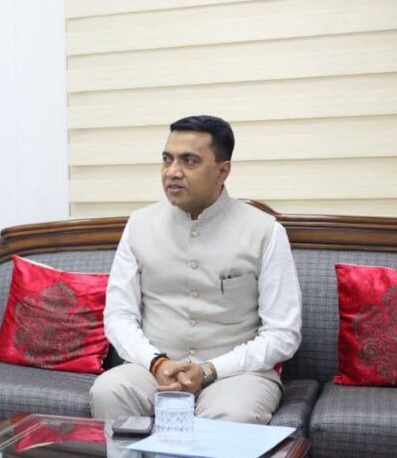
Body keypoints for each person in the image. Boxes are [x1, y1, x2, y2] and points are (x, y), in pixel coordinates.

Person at [89, 116, 302, 425]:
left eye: (189, 161)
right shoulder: (139, 225)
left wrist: (210, 370)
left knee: (231, 415)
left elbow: (283, 333)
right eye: (167, 159)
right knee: (109, 391)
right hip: (153, 369)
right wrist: (156, 363)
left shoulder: (265, 231)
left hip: (235, 375)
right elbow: (119, 316)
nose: (172, 172)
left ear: (222, 171)